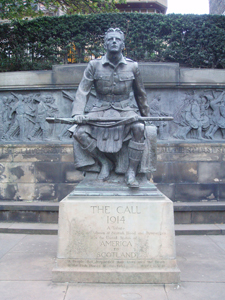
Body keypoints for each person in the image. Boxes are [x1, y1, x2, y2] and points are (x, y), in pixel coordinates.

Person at [71, 28, 155, 188]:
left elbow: (140, 94)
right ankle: (104, 162)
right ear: (105, 44)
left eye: (117, 39)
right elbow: (83, 91)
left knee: (139, 128)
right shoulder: (94, 65)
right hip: (100, 110)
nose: (114, 41)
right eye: (110, 39)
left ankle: (131, 172)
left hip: (125, 110)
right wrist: (78, 113)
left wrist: (147, 117)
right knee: (79, 132)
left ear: (123, 44)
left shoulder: (133, 67)